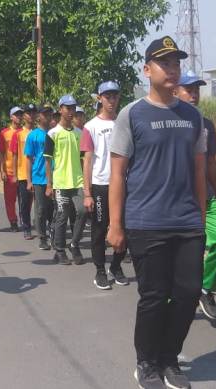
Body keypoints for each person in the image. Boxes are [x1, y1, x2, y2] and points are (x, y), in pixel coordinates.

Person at [108, 36, 206, 389]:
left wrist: (202, 216)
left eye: (176, 62)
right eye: (164, 63)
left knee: (188, 292)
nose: (172, 69)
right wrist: (115, 225)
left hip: (187, 222)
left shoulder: (193, 116)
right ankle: (146, 361)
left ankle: (169, 357)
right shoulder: (131, 114)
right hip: (146, 222)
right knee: (153, 296)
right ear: (147, 70)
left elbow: (199, 171)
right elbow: (118, 173)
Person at [175, 71, 216, 321]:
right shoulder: (168, 119)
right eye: (189, 89)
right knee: (175, 252)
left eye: (196, 89)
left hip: (204, 197)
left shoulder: (205, 124)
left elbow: (210, 163)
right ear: (176, 91)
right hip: (175, 200)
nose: (194, 94)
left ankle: (205, 288)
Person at [81, 81, 128, 290]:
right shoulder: (90, 127)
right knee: (99, 230)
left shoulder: (124, 122)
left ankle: (116, 267)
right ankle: (100, 270)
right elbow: (88, 161)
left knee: (124, 228)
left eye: (115, 96)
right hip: (101, 185)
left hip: (124, 185)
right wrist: (87, 193)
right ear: (99, 98)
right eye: (107, 96)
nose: (111, 100)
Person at [45, 95, 87, 265]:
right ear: (60, 109)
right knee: (62, 216)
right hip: (61, 182)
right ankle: (60, 249)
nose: (71, 111)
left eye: (73, 108)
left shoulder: (80, 133)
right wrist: (49, 184)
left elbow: (84, 159)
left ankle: (74, 244)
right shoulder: (52, 133)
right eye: (67, 108)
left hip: (78, 182)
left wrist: (87, 182)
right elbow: (48, 160)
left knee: (83, 212)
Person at [26, 104, 55, 250]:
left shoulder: (55, 133)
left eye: (50, 114)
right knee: (41, 209)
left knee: (54, 209)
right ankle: (42, 238)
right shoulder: (33, 135)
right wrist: (29, 180)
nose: (48, 116)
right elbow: (29, 158)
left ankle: (54, 236)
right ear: (39, 116)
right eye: (45, 114)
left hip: (56, 178)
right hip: (39, 177)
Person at [11, 104, 36, 239]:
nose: (31, 115)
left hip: (38, 174)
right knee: (25, 203)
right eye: (28, 113)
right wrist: (15, 174)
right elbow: (14, 155)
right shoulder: (18, 134)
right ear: (24, 116)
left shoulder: (39, 132)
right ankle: (26, 227)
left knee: (42, 204)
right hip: (22, 174)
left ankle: (43, 227)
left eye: (33, 112)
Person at [0, 106, 23, 232]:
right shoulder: (4, 133)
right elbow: (1, 153)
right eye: (16, 114)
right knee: (10, 199)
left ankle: (24, 219)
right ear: (11, 117)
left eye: (20, 114)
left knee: (25, 199)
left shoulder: (27, 132)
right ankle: (13, 221)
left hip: (24, 171)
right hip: (9, 171)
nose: (19, 117)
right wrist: (2, 170)